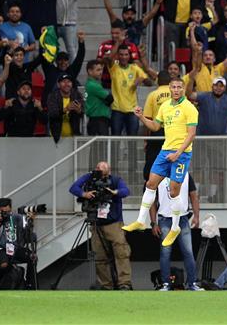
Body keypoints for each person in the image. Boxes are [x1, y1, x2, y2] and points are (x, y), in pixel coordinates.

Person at [124, 77, 197, 249]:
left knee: (174, 191)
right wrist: (141, 117)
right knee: (150, 184)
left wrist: (178, 153)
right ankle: (141, 220)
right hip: (165, 151)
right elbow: (155, 127)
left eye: (179, 87)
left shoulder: (189, 108)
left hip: (182, 154)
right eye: (174, 87)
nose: (176, 90)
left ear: (183, 89)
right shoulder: (164, 106)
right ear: (169, 88)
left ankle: (175, 227)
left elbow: (191, 134)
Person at [69, 161, 133, 290]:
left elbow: (126, 191)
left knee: (121, 253)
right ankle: (106, 284)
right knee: (99, 255)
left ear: (109, 171)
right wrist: (85, 194)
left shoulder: (115, 180)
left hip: (114, 223)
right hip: (96, 222)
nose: (100, 172)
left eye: (103, 170)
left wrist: (113, 192)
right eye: (98, 168)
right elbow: (73, 188)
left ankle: (124, 283)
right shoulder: (89, 177)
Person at [150, 174, 202, 291]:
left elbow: (194, 196)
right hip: (165, 218)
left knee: (187, 252)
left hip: (182, 218)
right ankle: (166, 284)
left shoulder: (186, 175)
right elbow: (152, 200)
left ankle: (192, 283)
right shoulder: (159, 175)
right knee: (166, 252)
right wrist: (153, 222)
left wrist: (196, 216)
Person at [0, 198, 35, 289]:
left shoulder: (18, 217)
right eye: (3, 212)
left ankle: (30, 285)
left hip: (16, 248)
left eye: (8, 211)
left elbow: (27, 233)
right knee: (4, 264)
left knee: (32, 257)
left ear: (11, 209)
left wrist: (31, 221)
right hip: (1, 249)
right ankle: (0, 285)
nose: (6, 214)